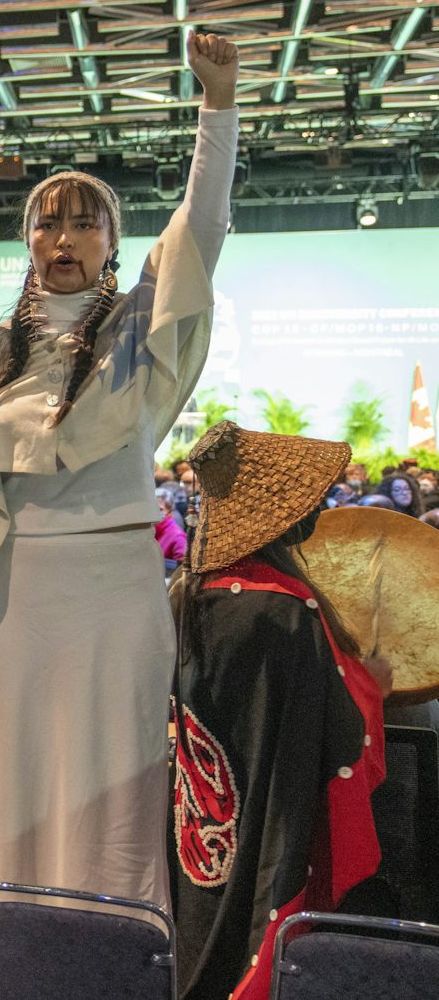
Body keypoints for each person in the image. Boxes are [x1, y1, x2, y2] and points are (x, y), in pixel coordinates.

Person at [0, 31, 240, 912]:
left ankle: (116, 954)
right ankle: (16, 946)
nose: (62, 237)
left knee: (117, 793)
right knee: (15, 791)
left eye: (83, 221)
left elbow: (202, 228)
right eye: (46, 221)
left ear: (112, 240)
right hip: (14, 598)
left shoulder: (141, 331)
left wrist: (217, 104)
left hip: (114, 591)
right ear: (26, 238)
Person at [170, 422, 388, 1000]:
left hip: (202, 806)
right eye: (310, 501)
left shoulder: (190, 591)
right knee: (260, 901)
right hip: (272, 805)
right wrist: (374, 686)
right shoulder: (286, 610)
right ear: (280, 517)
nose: (316, 510)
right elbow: (336, 721)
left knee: (204, 908)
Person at [155, 487, 189, 572]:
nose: (153, 513)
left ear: (170, 511)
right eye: (151, 509)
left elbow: (182, 570)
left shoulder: (178, 536)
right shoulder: (150, 531)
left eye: (159, 509)